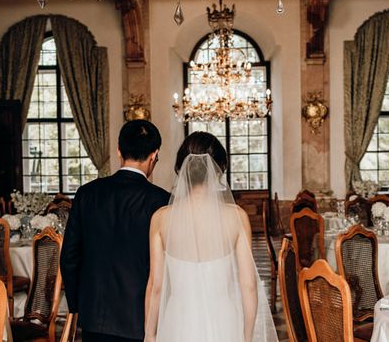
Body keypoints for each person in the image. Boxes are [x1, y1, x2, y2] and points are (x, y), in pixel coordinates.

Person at [144, 132, 278, 342]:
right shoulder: (237, 216)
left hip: (178, 321)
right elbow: (249, 286)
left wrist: (150, 334)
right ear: (220, 169)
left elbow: (156, 285)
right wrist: (247, 335)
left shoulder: (161, 219)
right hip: (224, 319)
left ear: (181, 169)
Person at [61, 119, 169, 342]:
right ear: (154, 154)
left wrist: (76, 305)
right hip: (139, 316)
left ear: (119, 151)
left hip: (93, 314)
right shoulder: (161, 200)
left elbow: (70, 256)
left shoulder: (86, 193)